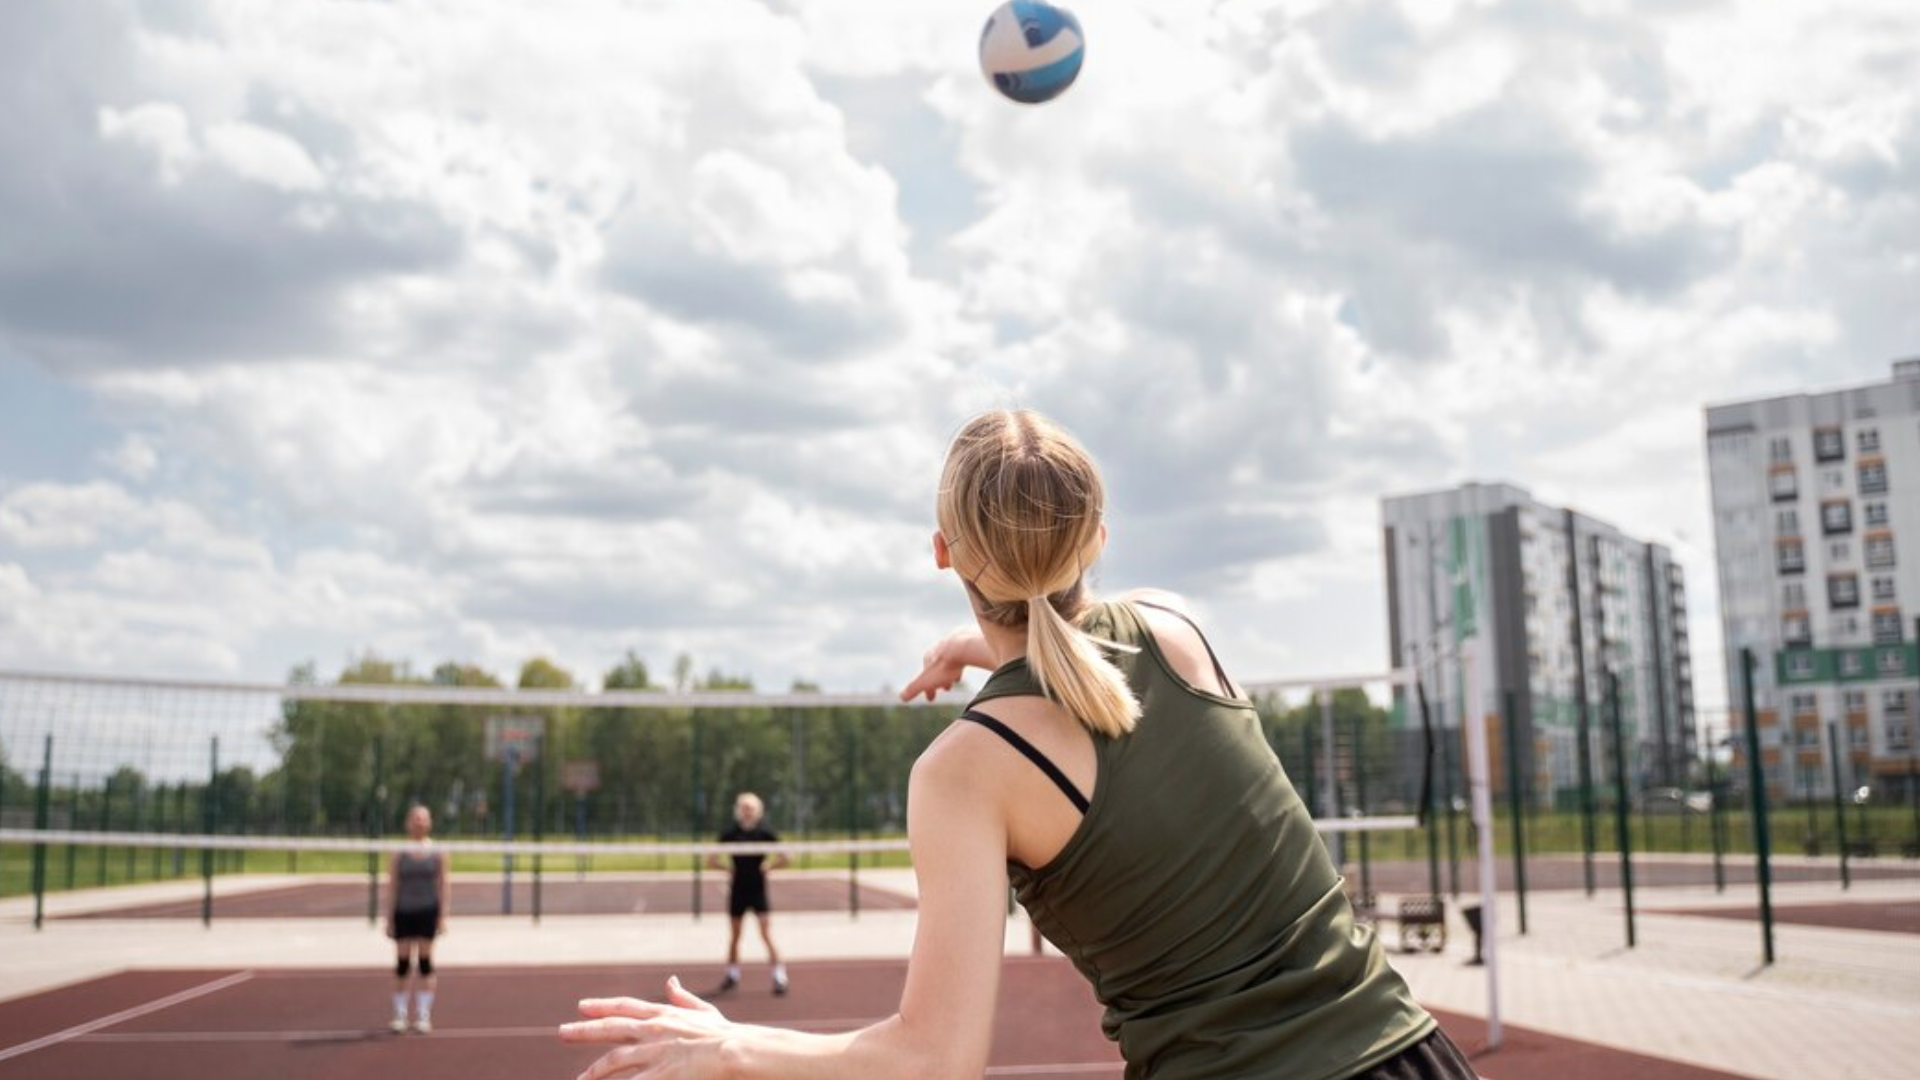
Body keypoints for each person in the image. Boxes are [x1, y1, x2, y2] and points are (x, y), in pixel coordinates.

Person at [560, 408, 1477, 1080]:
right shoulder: (1176, 625)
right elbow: (1082, 654)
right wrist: (989, 650)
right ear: (1100, 540)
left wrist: (730, 1047)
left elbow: (932, 1057)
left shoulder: (967, 771)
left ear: (944, 554)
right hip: (1414, 1053)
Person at [706, 792, 790, 996]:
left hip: (758, 889)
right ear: (738, 810)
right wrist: (727, 870)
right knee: (735, 935)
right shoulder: (731, 833)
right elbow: (711, 859)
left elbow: (787, 856)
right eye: (743, 807)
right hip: (738, 890)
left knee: (765, 933)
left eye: (750, 808)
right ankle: (732, 974)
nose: (747, 812)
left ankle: (779, 976)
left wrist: (769, 866)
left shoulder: (765, 832)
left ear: (758, 811)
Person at [386, 803, 449, 1034]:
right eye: (415, 818)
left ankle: (423, 1014)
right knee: (402, 964)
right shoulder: (399, 852)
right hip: (404, 911)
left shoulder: (438, 851)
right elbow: (392, 885)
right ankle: (400, 1014)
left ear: (429, 822)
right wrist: (389, 917)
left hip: (427, 911)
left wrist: (443, 915)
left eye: (423, 818)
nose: (419, 823)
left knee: (425, 963)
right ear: (408, 822)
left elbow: (444, 884)